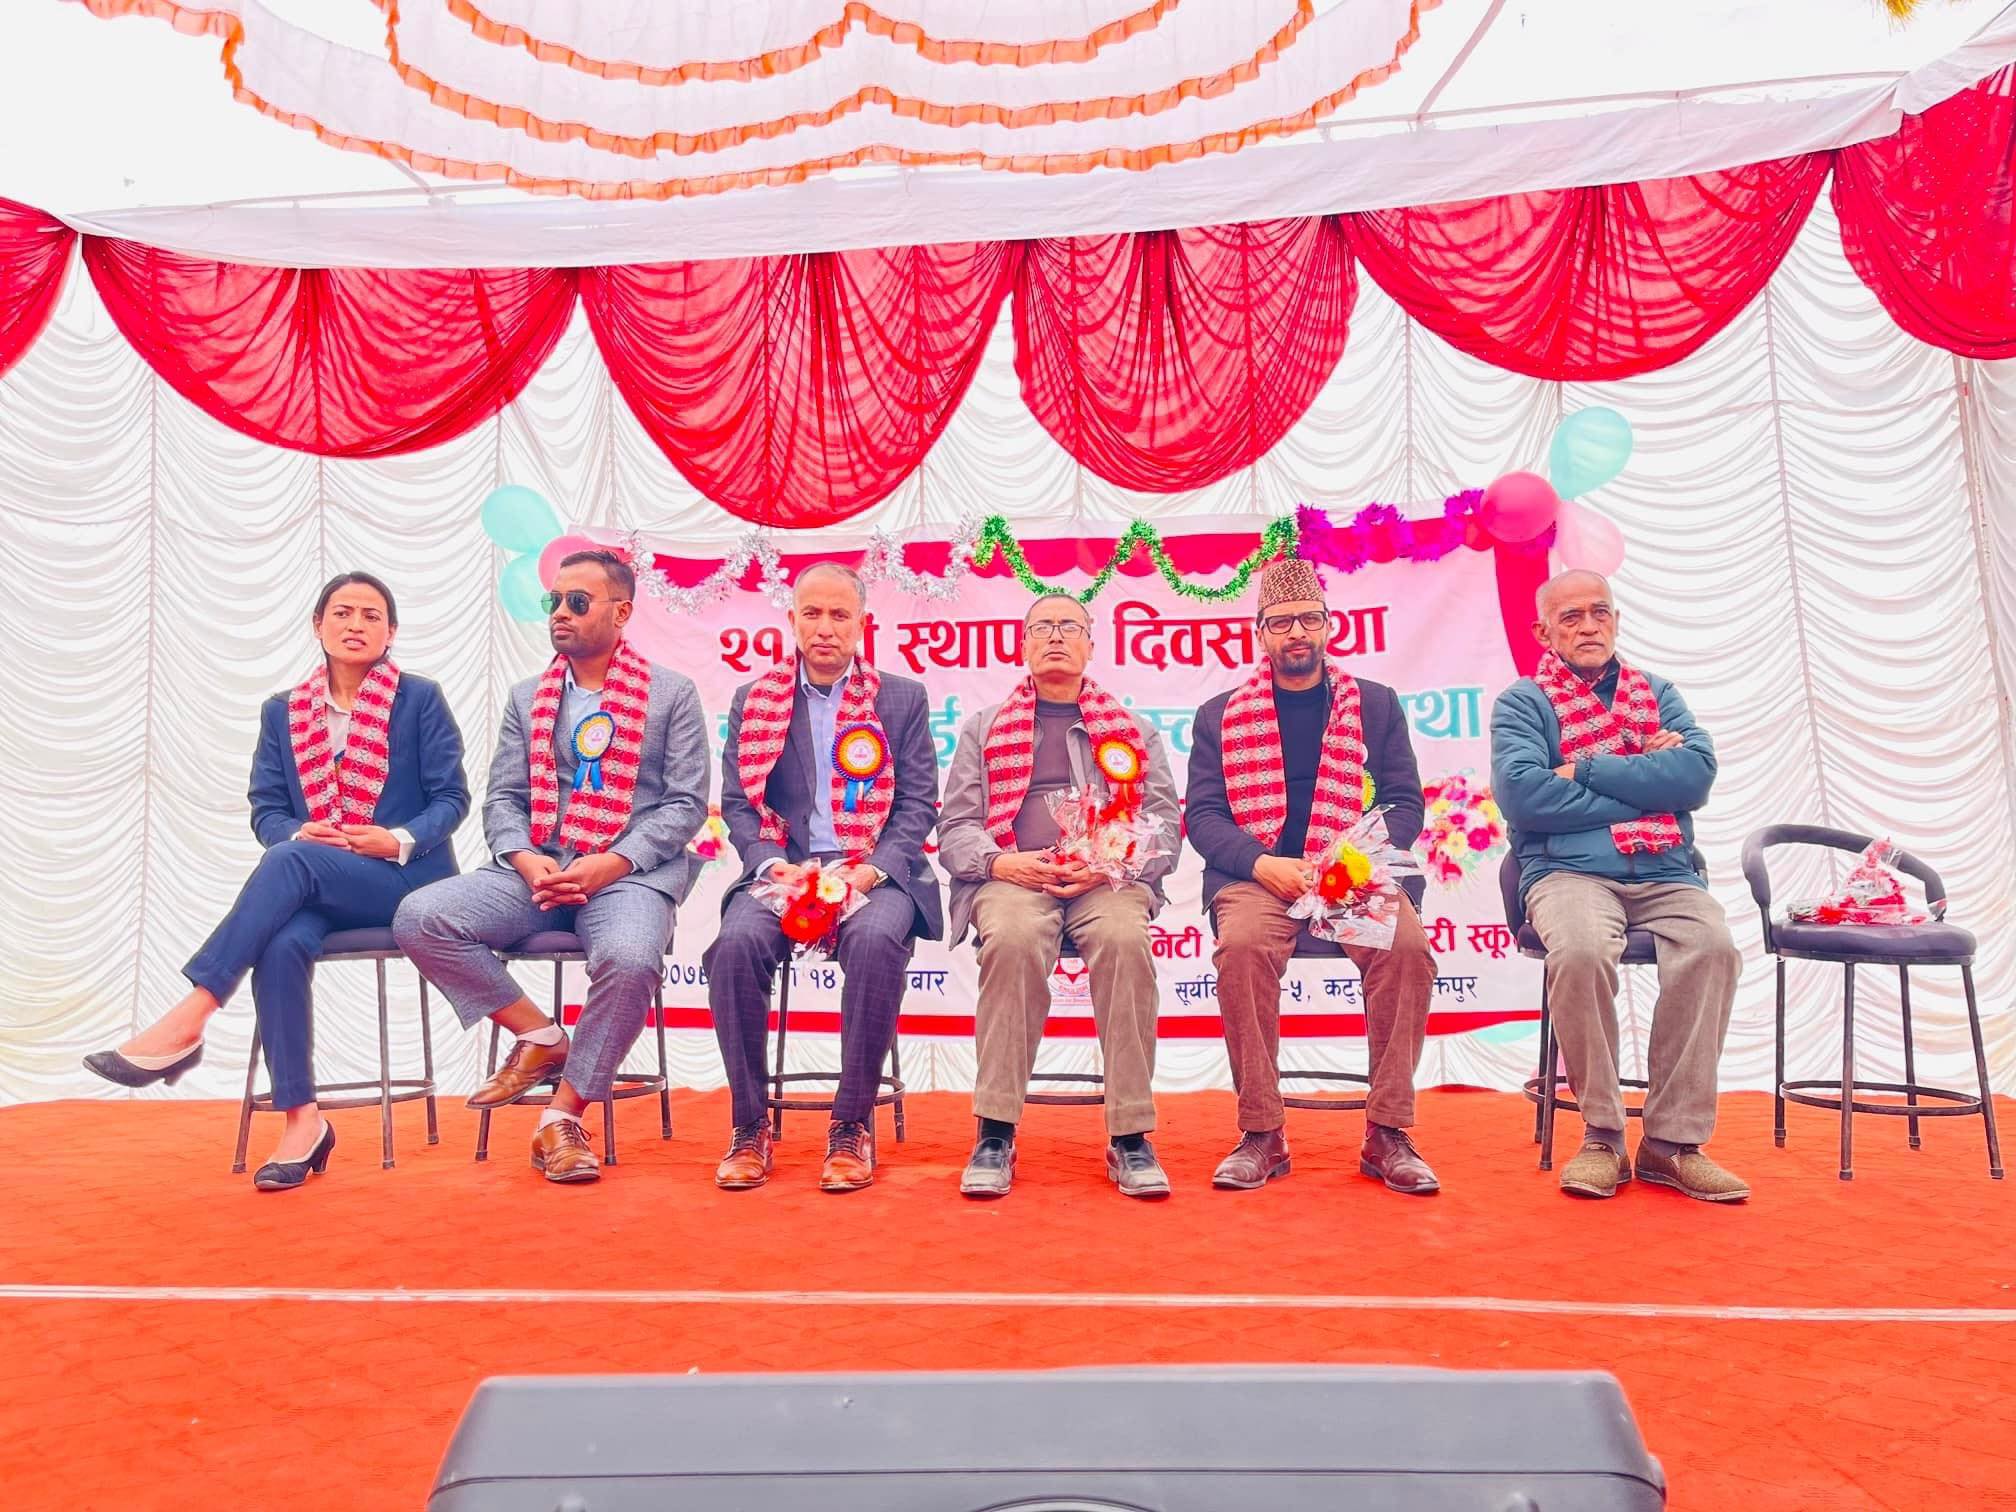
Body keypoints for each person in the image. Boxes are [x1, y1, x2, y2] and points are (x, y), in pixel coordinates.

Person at [84, 572, 469, 1191]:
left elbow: (451, 799)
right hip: (322, 880)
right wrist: (298, 831)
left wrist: (394, 837)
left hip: (405, 882)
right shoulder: (282, 710)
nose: (355, 624)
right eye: (342, 612)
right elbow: (267, 809)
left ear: (391, 632)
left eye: (371, 615)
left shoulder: (419, 699)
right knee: (282, 939)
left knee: (287, 863)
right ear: (318, 624)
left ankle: (191, 1015)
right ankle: (302, 1122)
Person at [393, 549, 708, 1186]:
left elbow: (685, 804)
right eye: (553, 601)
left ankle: (562, 1119)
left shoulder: (672, 693)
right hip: (536, 872)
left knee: (632, 959)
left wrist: (613, 862)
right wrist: (526, 859)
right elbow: (503, 799)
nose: (560, 612)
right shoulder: (527, 697)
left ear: (622, 612)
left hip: (628, 876)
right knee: (421, 916)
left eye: (577, 602)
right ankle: (542, 1038)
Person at [1185, 557, 1442, 1196]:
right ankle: (1261, 1133)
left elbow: (1404, 801)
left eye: (1307, 619)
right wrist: (1260, 863)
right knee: (1242, 949)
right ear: (1260, 633)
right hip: (1260, 876)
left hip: (1353, 872)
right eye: (1280, 622)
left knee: (1407, 950)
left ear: (1329, 625)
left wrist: (1350, 861)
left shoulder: (1375, 705)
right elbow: (1204, 817)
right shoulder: (1219, 714)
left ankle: (1388, 1131)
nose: (1295, 632)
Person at [1490, 569, 1747, 1203]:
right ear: (1543, 632)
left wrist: (1584, 768)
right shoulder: (1523, 703)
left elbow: (1695, 778)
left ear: (1616, 620)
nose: (1588, 626)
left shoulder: (1658, 692)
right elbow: (1525, 798)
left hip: (1665, 871)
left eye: (1599, 613)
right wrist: (1645, 782)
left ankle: (1672, 1144)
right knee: (1579, 952)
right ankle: (1603, 1136)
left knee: (1714, 948)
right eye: (1571, 617)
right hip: (1567, 873)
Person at [937, 593, 1184, 1199]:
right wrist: (1000, 862)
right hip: (1015, 876)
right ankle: (995, 1132)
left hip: (1107, 881)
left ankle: (1131, 1135)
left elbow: (1165, 827)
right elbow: (956, 827)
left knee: (1124, 939)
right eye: (1042, 626)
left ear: (1091, 645)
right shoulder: (983, 727)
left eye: (1069, 626)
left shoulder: (1135, 731)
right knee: (1013, 939)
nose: (1055, 636)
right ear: (1022, 645)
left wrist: (1108, 865)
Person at [706, 562, 942, 1194]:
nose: (825, 628)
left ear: (863, 624)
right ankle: (749, 1127)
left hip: (873, 871)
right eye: (812, 614)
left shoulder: (901, 698)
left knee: (874, 942)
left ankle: (850, 1124)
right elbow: (738, 804)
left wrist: (872, 870)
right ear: (791, 620)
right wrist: (768, 863)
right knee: (734, 946)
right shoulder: (756, 699)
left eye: (840, 615)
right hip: (786, 869)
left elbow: (917, 804)